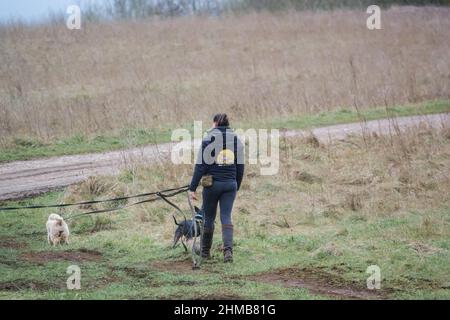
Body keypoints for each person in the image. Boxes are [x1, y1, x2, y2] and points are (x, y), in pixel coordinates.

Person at [188, 113, 244, 263]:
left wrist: (192, 188)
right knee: (226, 217)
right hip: (230, 184)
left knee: (209, 218)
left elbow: (200, 166)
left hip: (212, 186)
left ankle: (205, 252)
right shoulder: (236, 140)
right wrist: (235, 185)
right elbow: (240, 167)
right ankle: (228, 252)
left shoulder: (208, 140)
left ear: (215, 124)